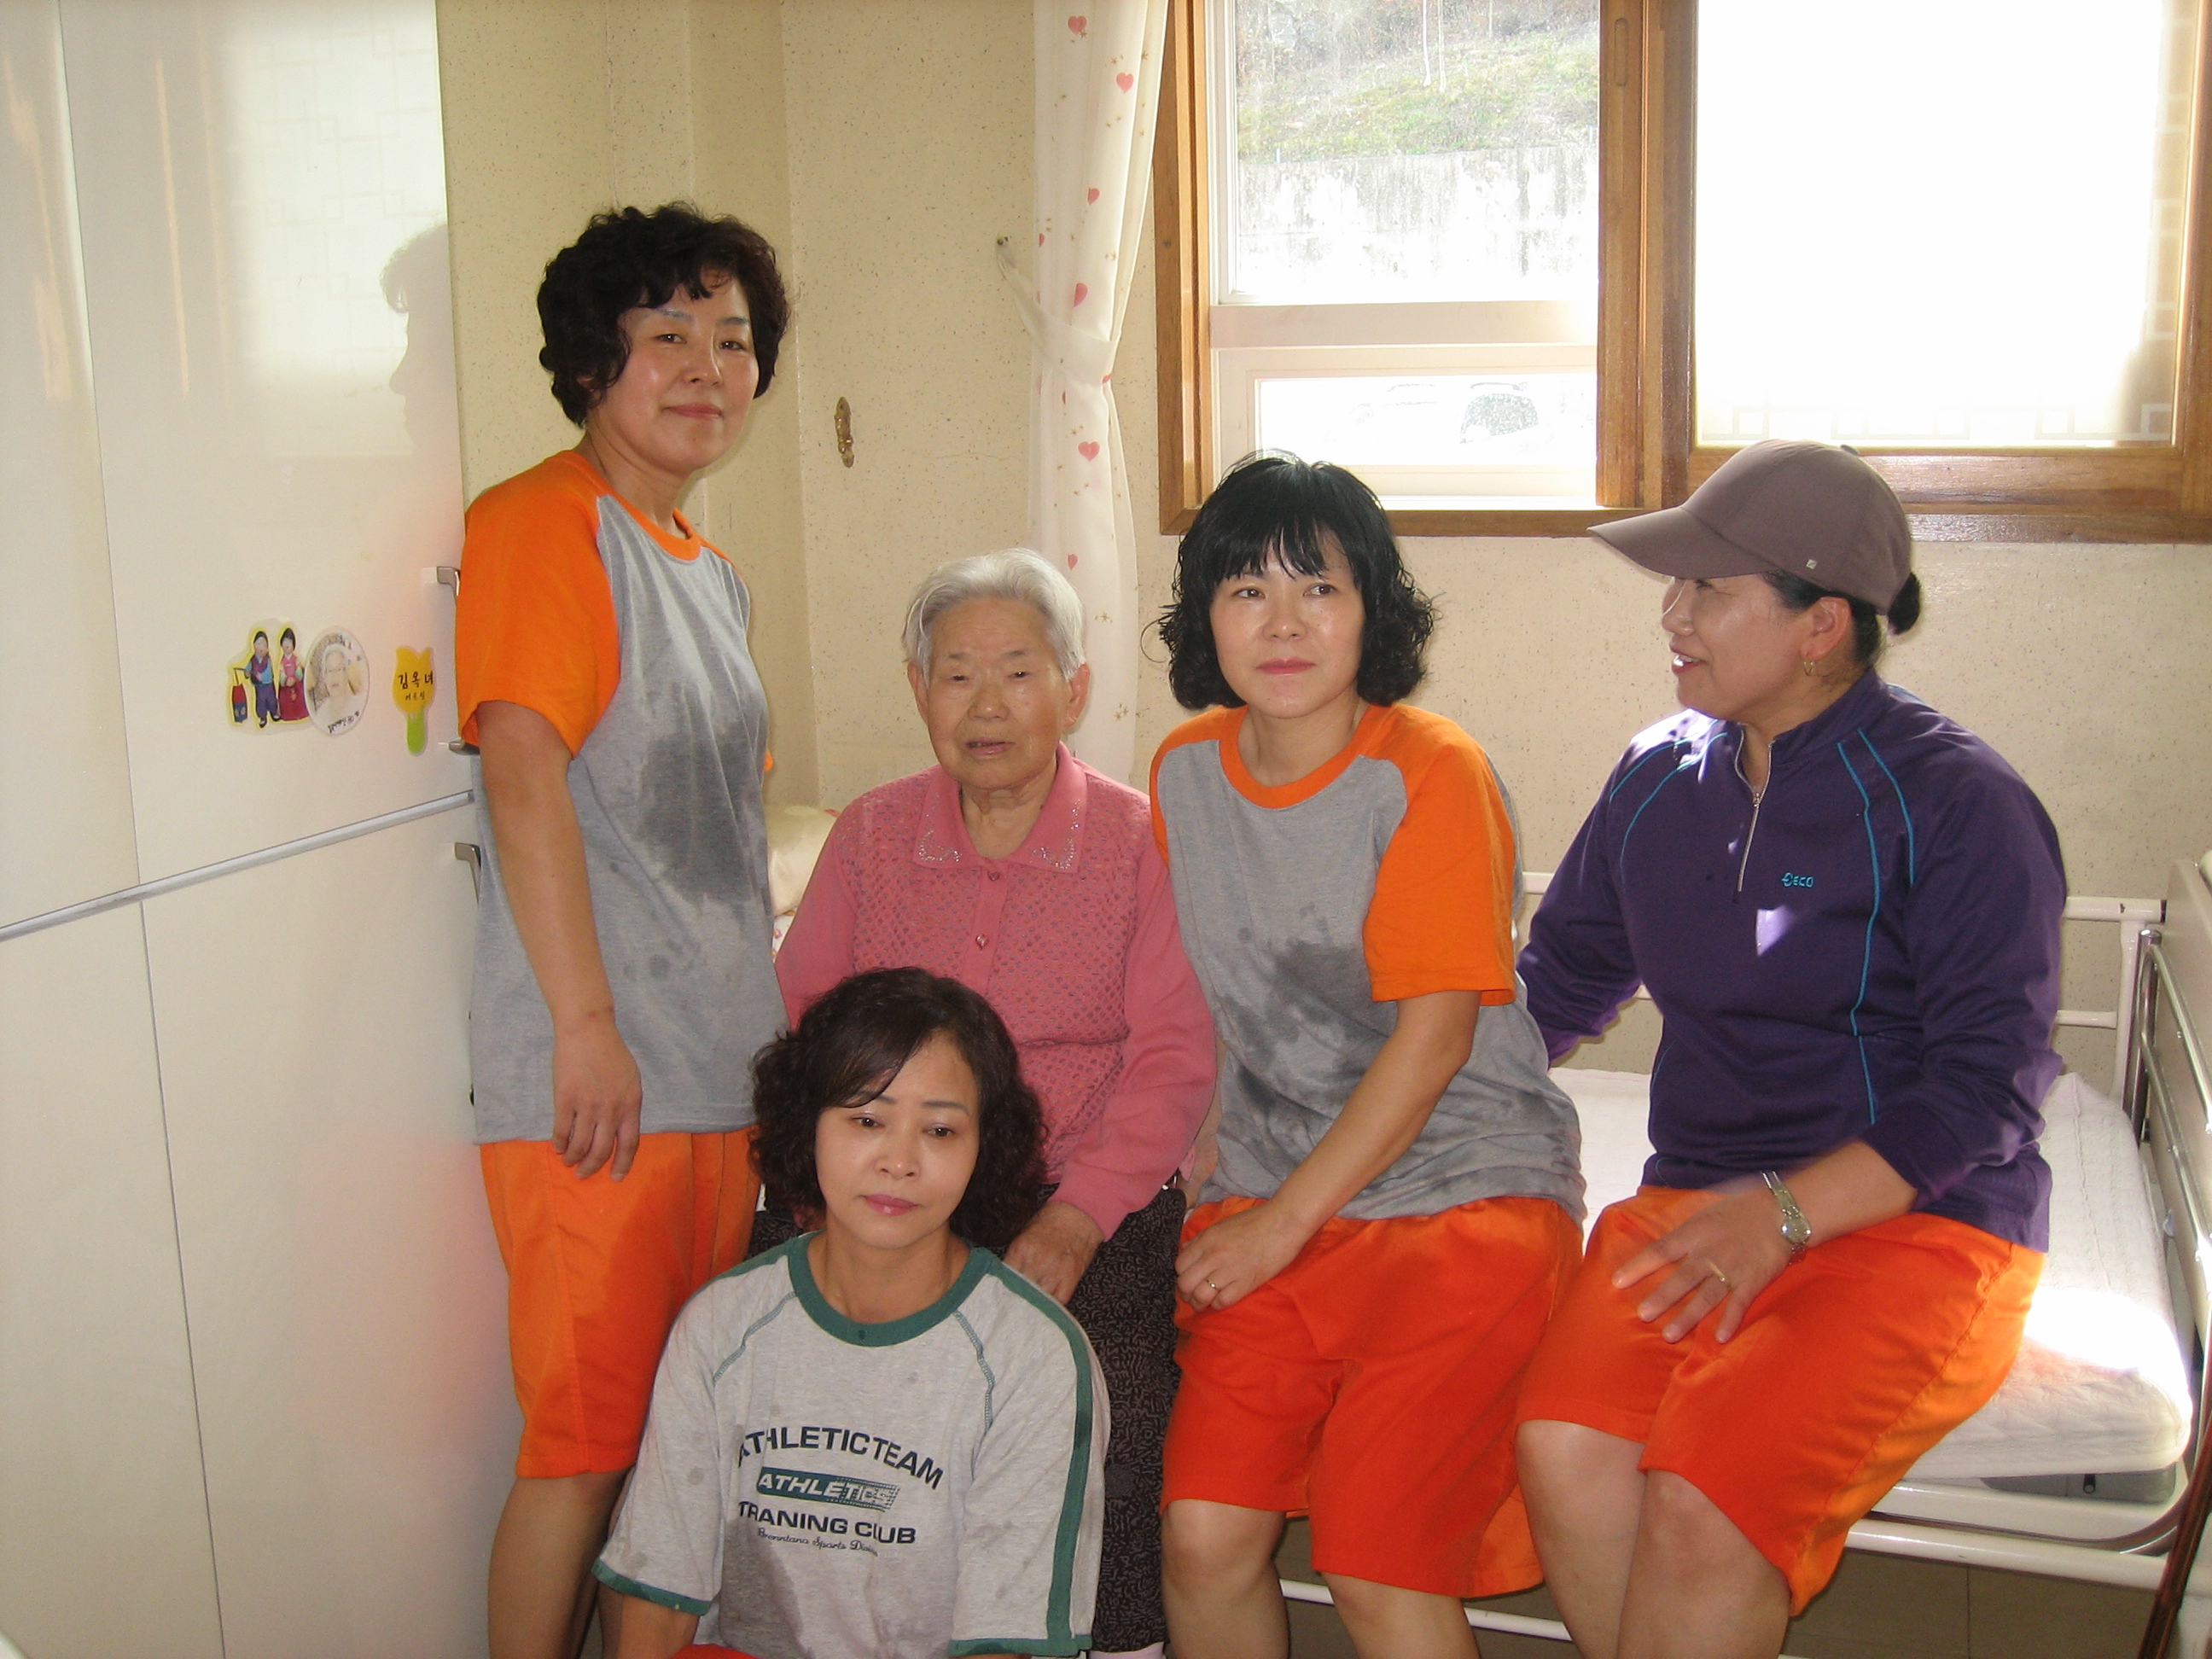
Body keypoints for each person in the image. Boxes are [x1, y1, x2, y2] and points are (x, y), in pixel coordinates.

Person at [1514, 439, 2059, 1659]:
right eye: (1677, 586)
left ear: (1821, 625)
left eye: (1708, 589)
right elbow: (1559, 982)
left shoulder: (1957, 801)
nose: (1673, 613)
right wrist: (1393, 1103)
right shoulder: (1659, 777)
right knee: (1564, 1445)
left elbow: (1990, 1085)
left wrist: (1789, 1216)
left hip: (1918, 1221)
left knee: (1703, 1500)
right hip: (1700, 1198)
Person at [1148, 452, 1585, 1659]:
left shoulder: (1430, 770)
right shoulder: (1184, 773)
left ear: (1371, 609)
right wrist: (1197, 1155)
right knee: (1201, 1536)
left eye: (1319, 588)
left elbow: (1436, 1039)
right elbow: (1202, 995)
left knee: (1374, 1561)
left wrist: (1280, 1225)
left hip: (1459, 1193)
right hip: (1273, 1194)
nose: (1284, 623)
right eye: (1247, 590)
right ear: (1205, 618)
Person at [453, 202, 793, 1659]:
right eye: (668, 334)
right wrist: (585, 1027)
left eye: (734, 339)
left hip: (716, 1074)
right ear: (595, 361)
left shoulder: (708, 568)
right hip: (601, 1085)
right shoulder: (546, 520)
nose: (708, 367)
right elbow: (522, 772)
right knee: (583, 1447)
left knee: (677, 1439)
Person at [772, 547, 1214, 1659]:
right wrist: (832, 1197)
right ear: (917, 690)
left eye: (1018, 672)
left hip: (1079, 1187)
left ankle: (1120, 1641)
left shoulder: (1139, 841)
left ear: (1074, 689)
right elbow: (805, 1025)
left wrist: (1077, 1217)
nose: (986, 704)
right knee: (801, 1385)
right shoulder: (872, 834)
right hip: (885, 1182)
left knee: (1109, 1407)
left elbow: (1172, 1058)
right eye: (956, 674)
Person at [595, 966, 1108, 1659]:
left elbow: (1007, 1642)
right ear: (807, 1126)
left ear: (984, 1148)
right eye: (867, 1120)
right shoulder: (722, 1326)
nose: (899, 1161)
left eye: (940, 1130)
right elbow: (657, 1597)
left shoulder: (1032, 1359)